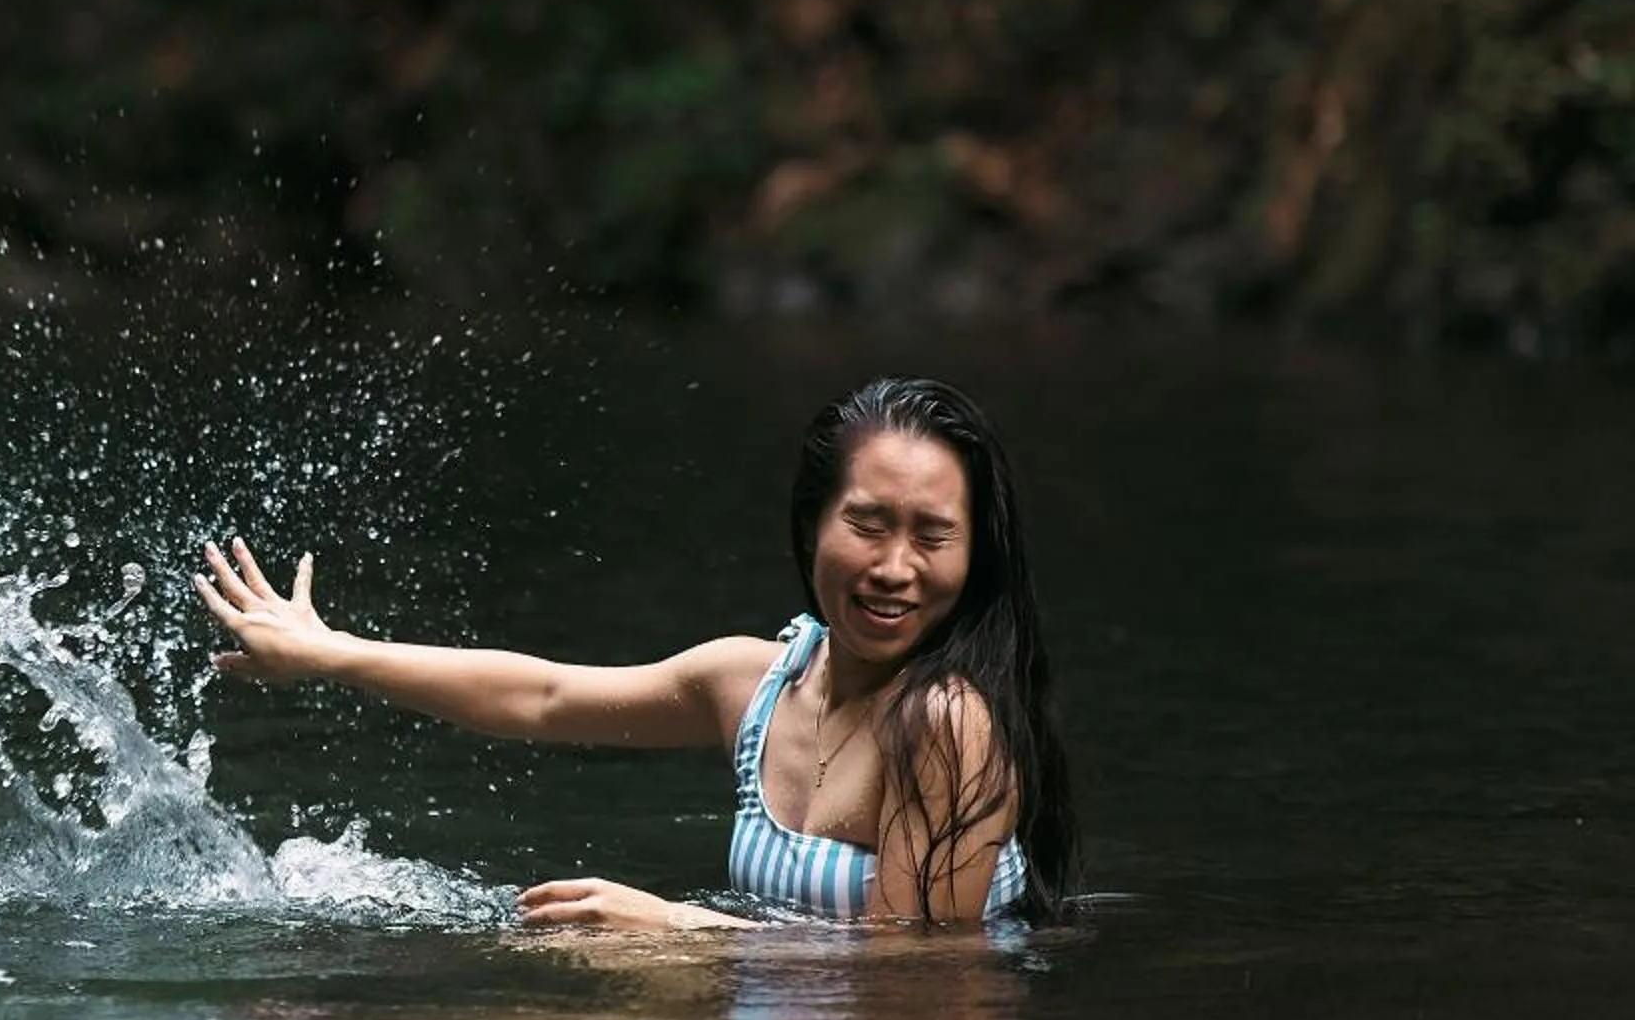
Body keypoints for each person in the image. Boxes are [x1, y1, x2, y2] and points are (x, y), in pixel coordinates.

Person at [195, 376, 1077, 930]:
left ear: (975, 557)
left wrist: (677, 930)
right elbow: (543, 697)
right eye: (869, 524)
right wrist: (332, 653)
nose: (895, 567)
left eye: (933, 536)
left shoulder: (946, 720)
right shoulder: (757, 684)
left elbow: (918, 980)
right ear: (813, 524)